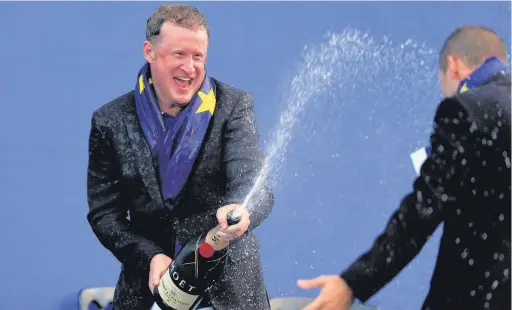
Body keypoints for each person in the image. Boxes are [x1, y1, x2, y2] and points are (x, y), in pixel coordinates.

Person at [298, 25, 511, 310]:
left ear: (453, 66)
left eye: (442, 83)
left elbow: (422, 211)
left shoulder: (464, 110)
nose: (444, 93)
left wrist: (353, 283)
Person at [86, 4, 274, 310]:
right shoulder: (109, 121)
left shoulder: (234, 107)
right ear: (150, 51)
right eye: (179, 54)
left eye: (198, 56)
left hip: (230, 295)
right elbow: (104, 214)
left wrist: (242, 210)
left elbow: (255, 184)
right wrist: (148, 255)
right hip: (146, 292)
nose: (190, 68)